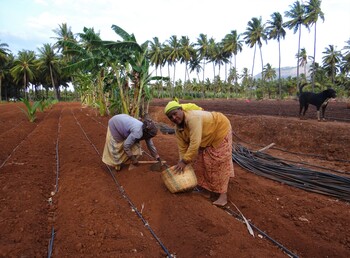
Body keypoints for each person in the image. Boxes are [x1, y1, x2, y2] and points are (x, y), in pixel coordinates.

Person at [164, 101, 234, 206]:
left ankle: (223, 196)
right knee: (201, 163)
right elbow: (182, 148)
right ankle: (206, 190)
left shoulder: (193, 118)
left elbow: (195, 143)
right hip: (206, 138)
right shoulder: (178, 129)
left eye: (175, 113)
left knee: (218, 164)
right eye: (170, 117)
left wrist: (185, 161)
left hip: (219, 130)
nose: (174, 118)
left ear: (181, 110)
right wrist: (183, 162)